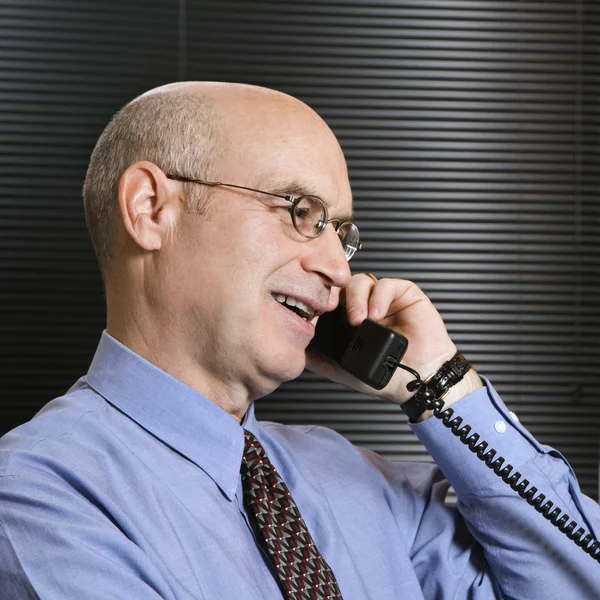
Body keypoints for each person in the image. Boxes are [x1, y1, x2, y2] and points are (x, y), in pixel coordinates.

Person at [0, 82, 598, 600]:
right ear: (152, 208)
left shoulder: (353, 480)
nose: (339, 268)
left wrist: (441, 383)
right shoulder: (39, 495)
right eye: (300, 211)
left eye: (342, 233)